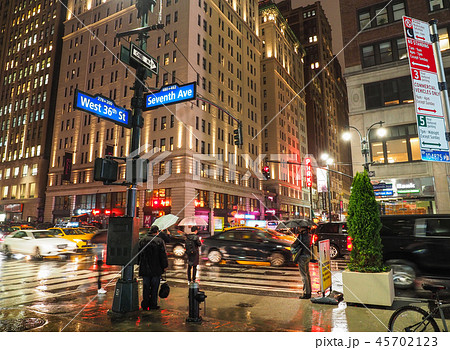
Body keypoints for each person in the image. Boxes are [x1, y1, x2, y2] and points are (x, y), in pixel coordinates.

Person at [138, 225, 169, 310]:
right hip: (156, 268)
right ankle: (153, 304)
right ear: (157, 232)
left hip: (145, 267)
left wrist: (138, 263)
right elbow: (163, 255)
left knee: (146, 287)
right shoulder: (159, 241)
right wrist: (165, 266)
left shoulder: (142, 240)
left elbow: (138, 253)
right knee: (155, 287)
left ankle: (145, 303)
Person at [291, 224, 312, 299]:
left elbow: (295, 244)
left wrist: (293, 245)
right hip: (308, 255)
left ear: (302, 228)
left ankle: (306, 293)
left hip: (302, 256)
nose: (298, 228)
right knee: (307, 274)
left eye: (299, 227)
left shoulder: (301, 235)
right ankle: (309, 292)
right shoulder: (309, 235)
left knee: (303, 275)